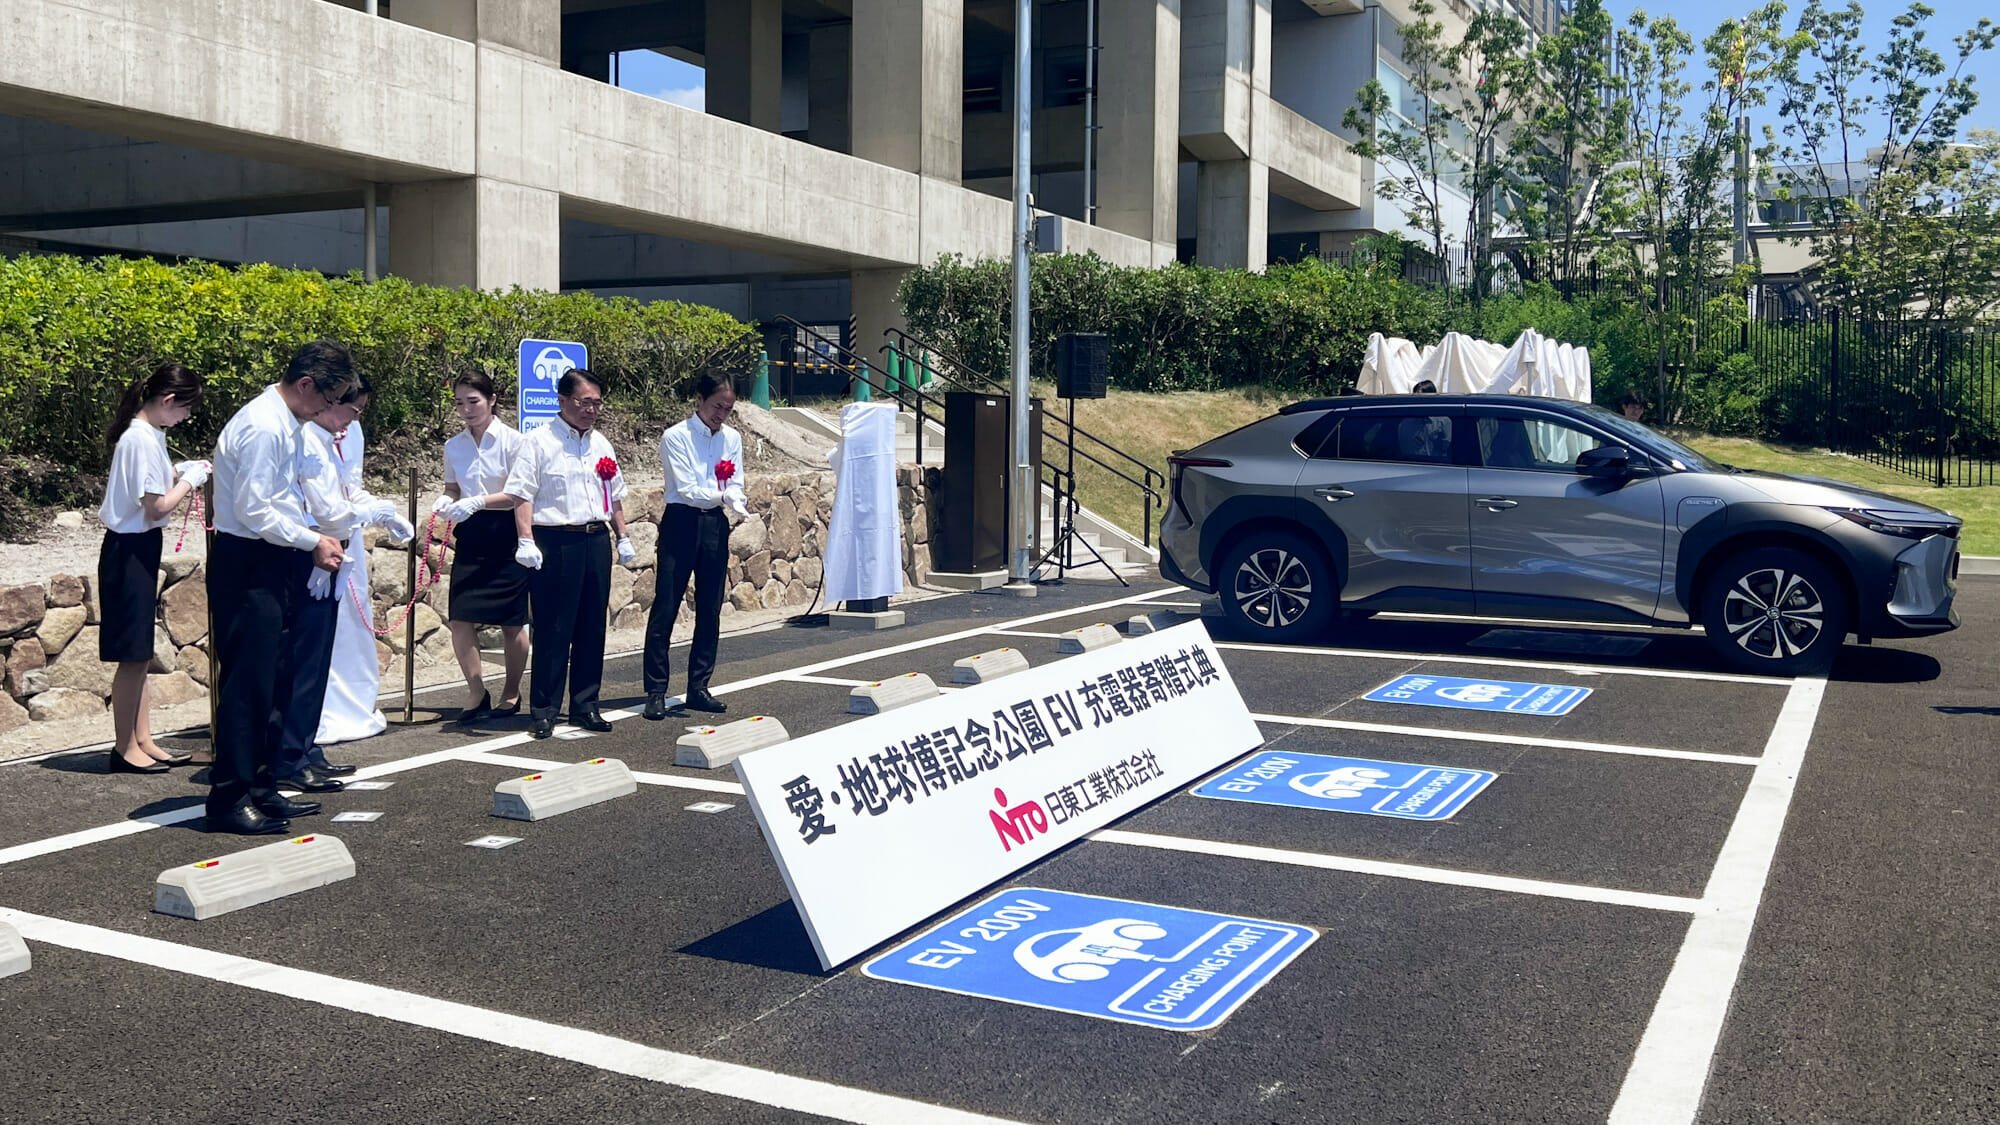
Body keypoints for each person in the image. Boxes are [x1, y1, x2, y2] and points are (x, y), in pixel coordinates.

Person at [204, 341, 357, 835]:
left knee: (275, 677)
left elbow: (282, 499)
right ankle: (230, 796)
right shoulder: (264, 427)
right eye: (327, 399)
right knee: (248, 683)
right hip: (247, 559)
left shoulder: (286, 424)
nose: (327, 410)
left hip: (271, 555)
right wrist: (312, 539)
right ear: (306, 384)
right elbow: (254, 509)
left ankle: (262, 783)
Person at [281, 376, 411, 786]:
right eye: (350, 410)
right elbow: (322, 505)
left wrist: (377, 509)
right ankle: (292, 754)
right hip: (312, 550)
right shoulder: (305, 436)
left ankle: (305, 747)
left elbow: (347, 492)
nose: (352, 420)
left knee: (320, 657)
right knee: (304, 660)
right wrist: (368, 514)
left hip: (336, 546)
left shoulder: (341, 434)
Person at [502, 368, 635, 740]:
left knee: (592, 625)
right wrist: (525, 539)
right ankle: (544, 708)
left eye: (596, 403)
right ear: (562, 401)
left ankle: (586, 704)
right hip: (555, 541)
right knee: (554, 626)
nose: (591, 410)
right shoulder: (538, 442)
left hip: (595, 539)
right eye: (584, 402)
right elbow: (522, 494)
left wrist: (621, 534)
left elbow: (615, 494)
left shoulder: (601, 444)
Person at [97, 363, 209, 774]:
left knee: (141, 653)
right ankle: (125, 746)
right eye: (185, 409)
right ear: (167, 401)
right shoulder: (140, 439)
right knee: (132, 655)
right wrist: (190, 481)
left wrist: (179, 472)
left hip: (138, 547)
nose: (186, 417)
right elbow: (157, 505)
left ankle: (143, 738)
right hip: (129, 549)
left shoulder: (148, 435)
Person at [643, 374, 747, 720]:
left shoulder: (731, 437)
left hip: (714, 523)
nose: (722, 414)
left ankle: (699, 686)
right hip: (682, 520)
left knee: (710, 606)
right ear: (699, 400)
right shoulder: (676, 437)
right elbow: (686, 488)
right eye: (717, 405)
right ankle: (656, 689)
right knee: (667, 604)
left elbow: (735, 478)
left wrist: (736, 497)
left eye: (728, 409)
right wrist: (724, 494)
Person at [436, 373, 530, 722]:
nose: (466, 410)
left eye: (473, 401)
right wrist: (444, 501)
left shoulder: (514, 441)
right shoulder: (454, 446)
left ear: (492, 399)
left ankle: (511, 691)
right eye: (459, 403)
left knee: (512, 622)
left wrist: (477, 501)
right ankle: (476, 691)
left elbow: (519, 493)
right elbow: (452, 488)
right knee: (461, 617)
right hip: (472, 535)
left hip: (506, 531)